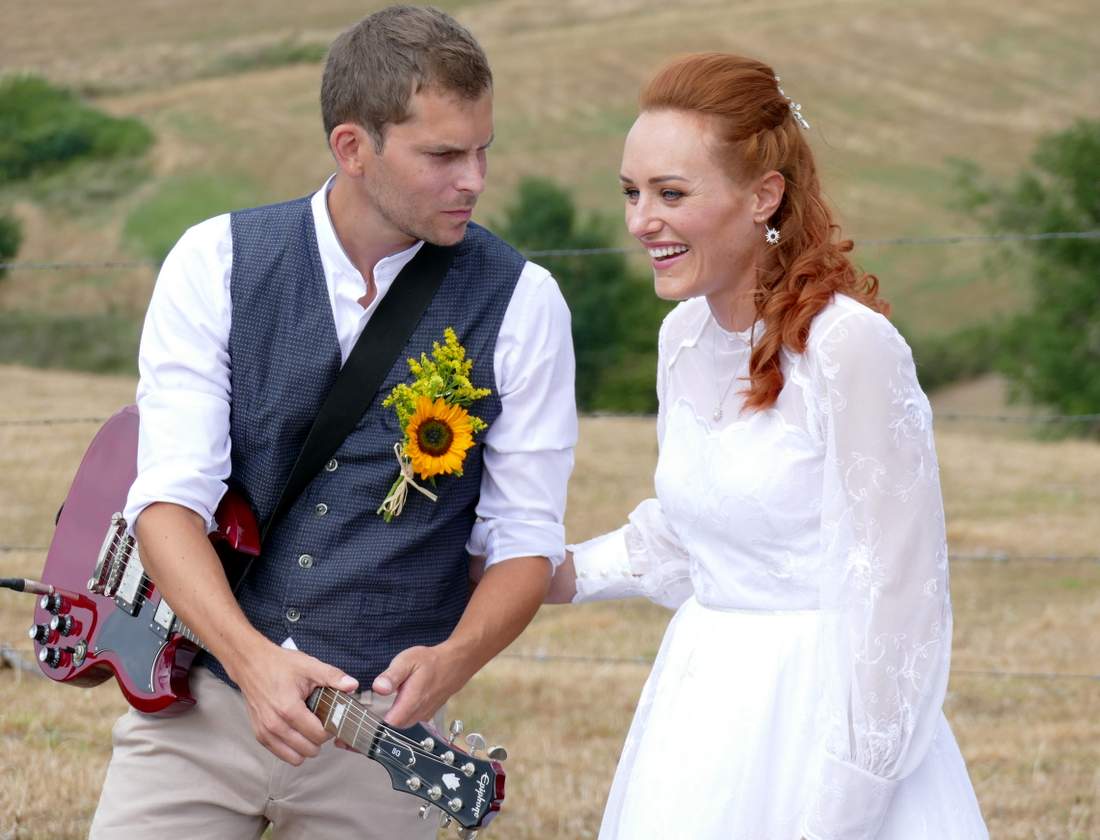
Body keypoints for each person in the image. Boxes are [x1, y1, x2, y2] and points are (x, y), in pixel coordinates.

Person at [90, 6, 576, 839]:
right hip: (197, 705)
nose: (475, 179)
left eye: (482, 149)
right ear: (354, 148)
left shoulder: (524, 302)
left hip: (381, 739)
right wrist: (249, 659)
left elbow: (526, 541)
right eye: (443, 155)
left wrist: (454, 660)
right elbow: (168, 500)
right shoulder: (215, 261)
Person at [545, 53, 989, 839]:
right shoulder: (681, 337)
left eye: (670, 193)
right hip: (701, 719)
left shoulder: (851, 348)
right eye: (631, 192)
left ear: (763, 196)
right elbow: (691, 539)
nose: (640, 219)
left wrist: (848, 803)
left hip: (820, 728)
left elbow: (900, 597)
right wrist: (539, 572)